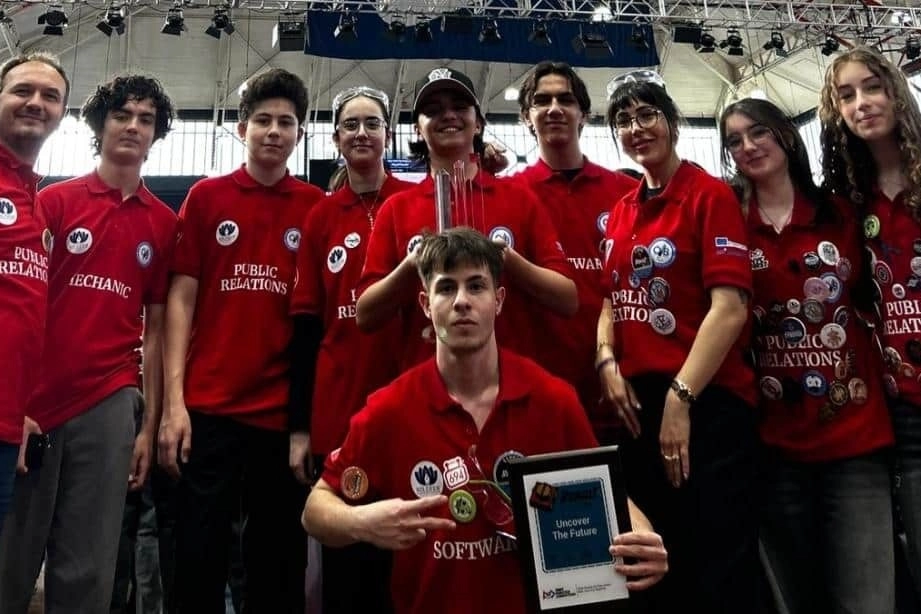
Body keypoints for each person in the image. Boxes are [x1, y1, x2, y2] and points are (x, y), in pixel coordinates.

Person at [303, 227, 668, 614]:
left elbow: (605, 491)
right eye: (446, 288)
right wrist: (362, 521)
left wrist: (643, 537)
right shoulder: (390, 410)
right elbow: (315, 510)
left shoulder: (552, 400)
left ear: (499, 300)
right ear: (425, 303)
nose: (462, 301)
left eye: (476, 286)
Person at [0, 74, 174, 614]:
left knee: (89, 567)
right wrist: (16, 405)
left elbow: (156, 331)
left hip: (109, 401)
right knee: (10, 559)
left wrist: (148, 425)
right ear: (99, 125)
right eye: (122, 115)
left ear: (156, 134)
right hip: (36, 404)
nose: (133, 126)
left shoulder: (164, 223)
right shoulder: (52, 202)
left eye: (145, 119)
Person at [157, 68, 324, 613]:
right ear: (240, 128)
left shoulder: (315, 206)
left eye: (286, 122)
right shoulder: (207, 197)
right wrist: (174, 405)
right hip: (209, 410)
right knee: (197, 558)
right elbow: (180, 301)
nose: (274, 131)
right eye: (263, 120)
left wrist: (305, 422)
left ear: (300, 132)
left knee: (277, 565)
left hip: (279, 417)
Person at [720, 97, 895, 613]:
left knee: (867, 601)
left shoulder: (839, 212)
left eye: (758, 132)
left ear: (785, 134)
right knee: (797, 600)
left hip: (855, 442)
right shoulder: (730, 223)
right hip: (775, 447)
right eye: (734, 140)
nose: (748, 146)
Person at [596, 73, 759, 612]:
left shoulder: (708, 195)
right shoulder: (623, 208)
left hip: (705, 405)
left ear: (671, 121)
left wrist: (681, 396)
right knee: (652, 564)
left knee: (713, 561)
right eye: (624, 120)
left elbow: (729, 308)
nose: (636, 128)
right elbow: (611, 300)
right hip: (641, 410)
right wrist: (606, 360)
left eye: (647, 115)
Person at [355, 67, 577, 371]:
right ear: (417, 129)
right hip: (427, 381)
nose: (448, 115)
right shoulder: (397, 209)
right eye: (433, 110)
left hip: (511, 379)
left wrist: (507, 260)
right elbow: (365, 315)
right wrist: (412, 265)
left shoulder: (519, 199)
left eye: (459, 107)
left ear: (478, 124)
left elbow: (567, 299)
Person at [288, 85, 414, 613]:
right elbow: (305, 327)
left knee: (410, 558)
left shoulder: (416, 202)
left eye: (372, 123)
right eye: (350, 125)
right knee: (348, 568)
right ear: (336, 138)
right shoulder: (321, 217)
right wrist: (300, 429)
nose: (362, 133)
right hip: (340, 409)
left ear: (388, 135)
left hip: (411, 405)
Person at [818, 45, 921, 597]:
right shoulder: (848, 202)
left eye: (872, 87)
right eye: (847, 95)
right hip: (904, 406)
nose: (862, 103)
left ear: (896, 92)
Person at [512, 61, 638, 443]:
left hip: (624, 388)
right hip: (545, 394)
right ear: (526, 116)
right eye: (542, 101)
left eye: (565, 100)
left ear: (583, 114)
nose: (554, 108)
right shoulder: (511, 195)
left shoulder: (626, 193)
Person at [0, 53, 67, 536]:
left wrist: (17, 411)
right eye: (22, 91)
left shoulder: (35, 204)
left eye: (51, 96)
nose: (36, 103)